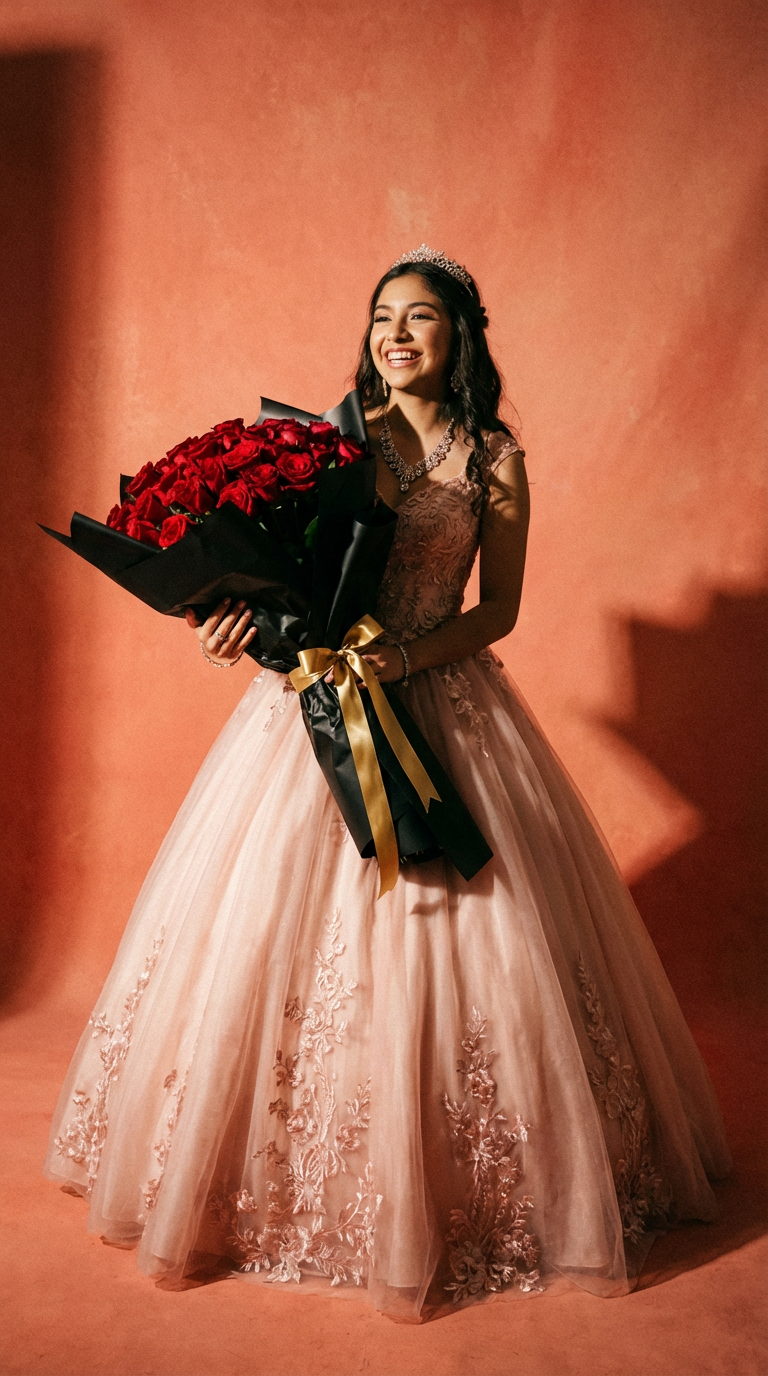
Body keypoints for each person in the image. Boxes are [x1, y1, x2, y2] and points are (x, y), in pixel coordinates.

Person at [44, 246, 731, 1321]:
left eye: (421, 317)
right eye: (381, 316)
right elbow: (274, 578)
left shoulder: (494, 458)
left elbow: (498, 607)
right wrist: (237, 622)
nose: (396, 333)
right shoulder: (323, 445)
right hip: (313, 714)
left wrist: (403, 659)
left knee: (469, 921)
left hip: (441, 697)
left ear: (461, 338)